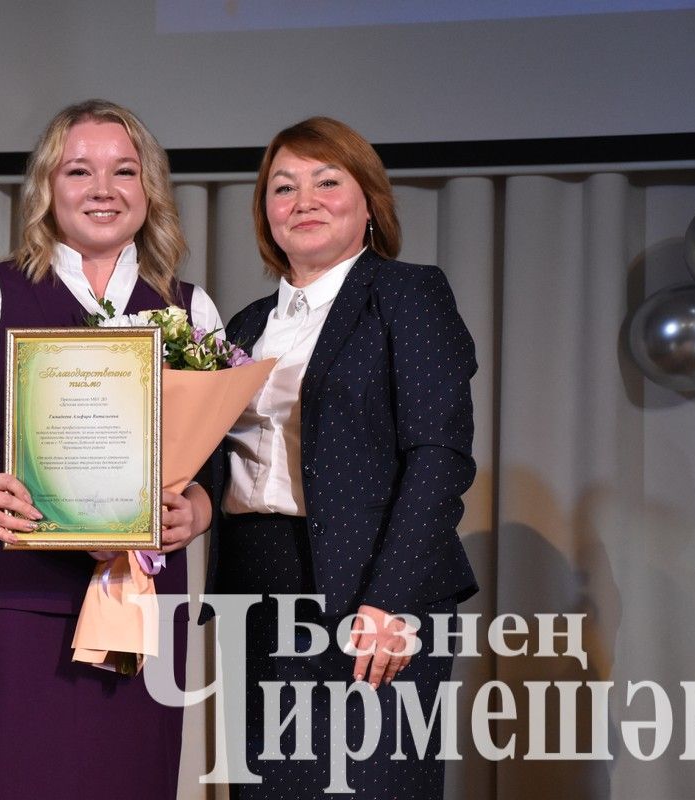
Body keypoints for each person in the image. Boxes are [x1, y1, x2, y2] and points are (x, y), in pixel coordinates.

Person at [0, 99, 220, 799]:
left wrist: (198, 509)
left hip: (138, 610)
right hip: (8, 604)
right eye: (79, 170)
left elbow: (211, 465)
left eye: (123, 171)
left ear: (149, 190)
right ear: (46, 189)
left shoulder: (191, 310)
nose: (103, 189)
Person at [203, 117, 478, 798]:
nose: (304, 200)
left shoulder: (407, 294)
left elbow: (439, 456)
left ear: (369, 204)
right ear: (265, 213)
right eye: (283, 187)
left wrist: (391, 602)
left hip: (368, 592)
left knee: (372, 785)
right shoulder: (241, 326)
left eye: (328, 181)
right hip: (257, 592)